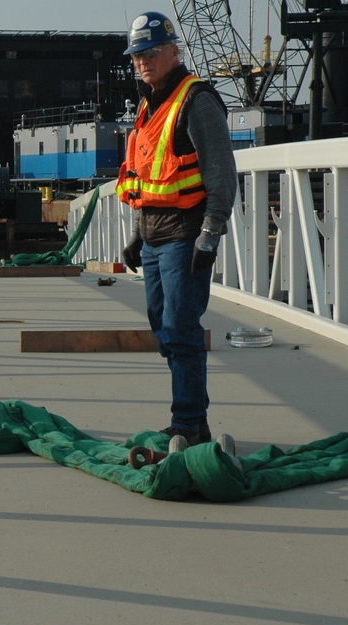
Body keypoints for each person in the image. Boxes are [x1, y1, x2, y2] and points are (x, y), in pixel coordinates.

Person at [117, 11, 237, 446]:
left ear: (173, 51)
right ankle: (194, 418)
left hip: (185, 235)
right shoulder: (148, 107)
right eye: (137, 55)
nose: (143, 61)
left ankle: (187, 421)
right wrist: (136, 233)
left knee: (182, 329)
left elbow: (222, 174)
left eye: (151, 52)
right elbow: (144, 177)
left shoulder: (196, 100)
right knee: (163, 328)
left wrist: (211, 232)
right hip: (152, 236)